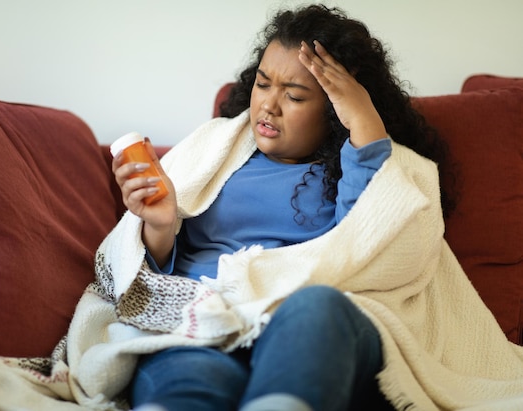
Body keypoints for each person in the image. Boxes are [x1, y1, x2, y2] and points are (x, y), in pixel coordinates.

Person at [112, 4, 452, 411]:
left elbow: (370, 243)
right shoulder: (217, 152)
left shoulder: (355, 169)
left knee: (318, 306)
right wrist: (161, 225)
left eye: (293, 95)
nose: (268, 106)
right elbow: (153, 269)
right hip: (206, 321)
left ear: (334, 109)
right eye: (263, 83)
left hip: (305, 324)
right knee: (185, 380)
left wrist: (364, 122)